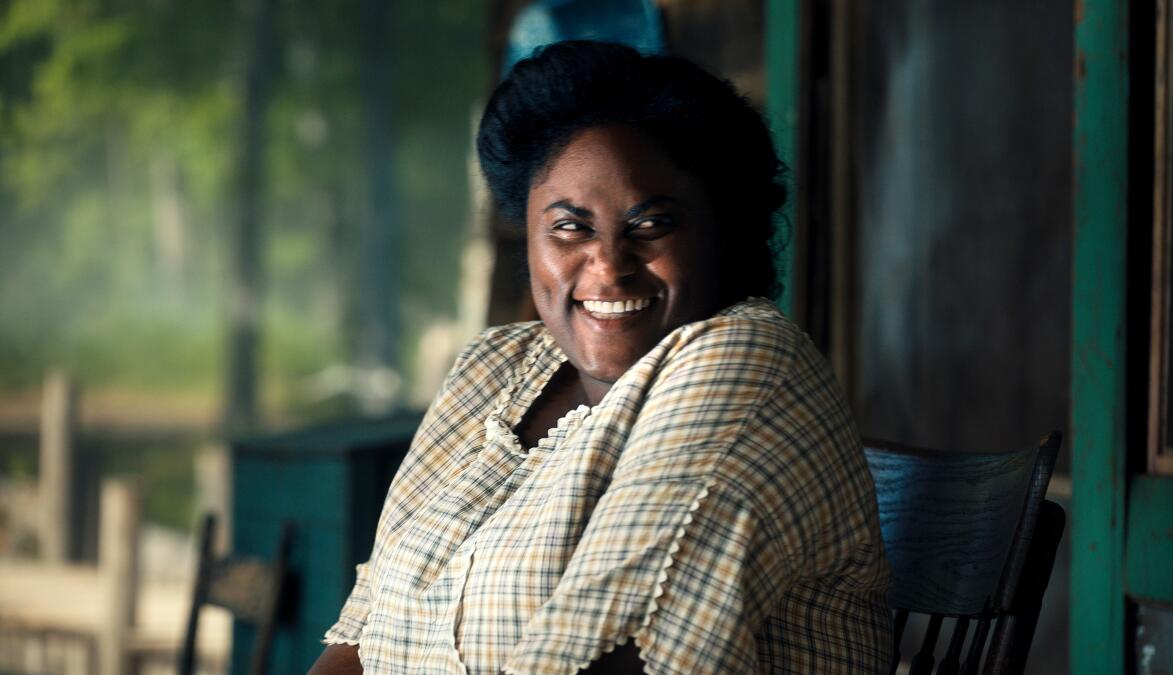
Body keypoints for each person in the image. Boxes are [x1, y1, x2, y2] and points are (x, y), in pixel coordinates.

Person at [309, 40, 890, 675]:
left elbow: (613, 655)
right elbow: (365, 632)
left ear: (720, 232)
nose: (609, 266)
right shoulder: (492, 370)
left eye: (651, 224)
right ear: (527, 236)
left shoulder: (747, 361)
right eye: (570, 227)